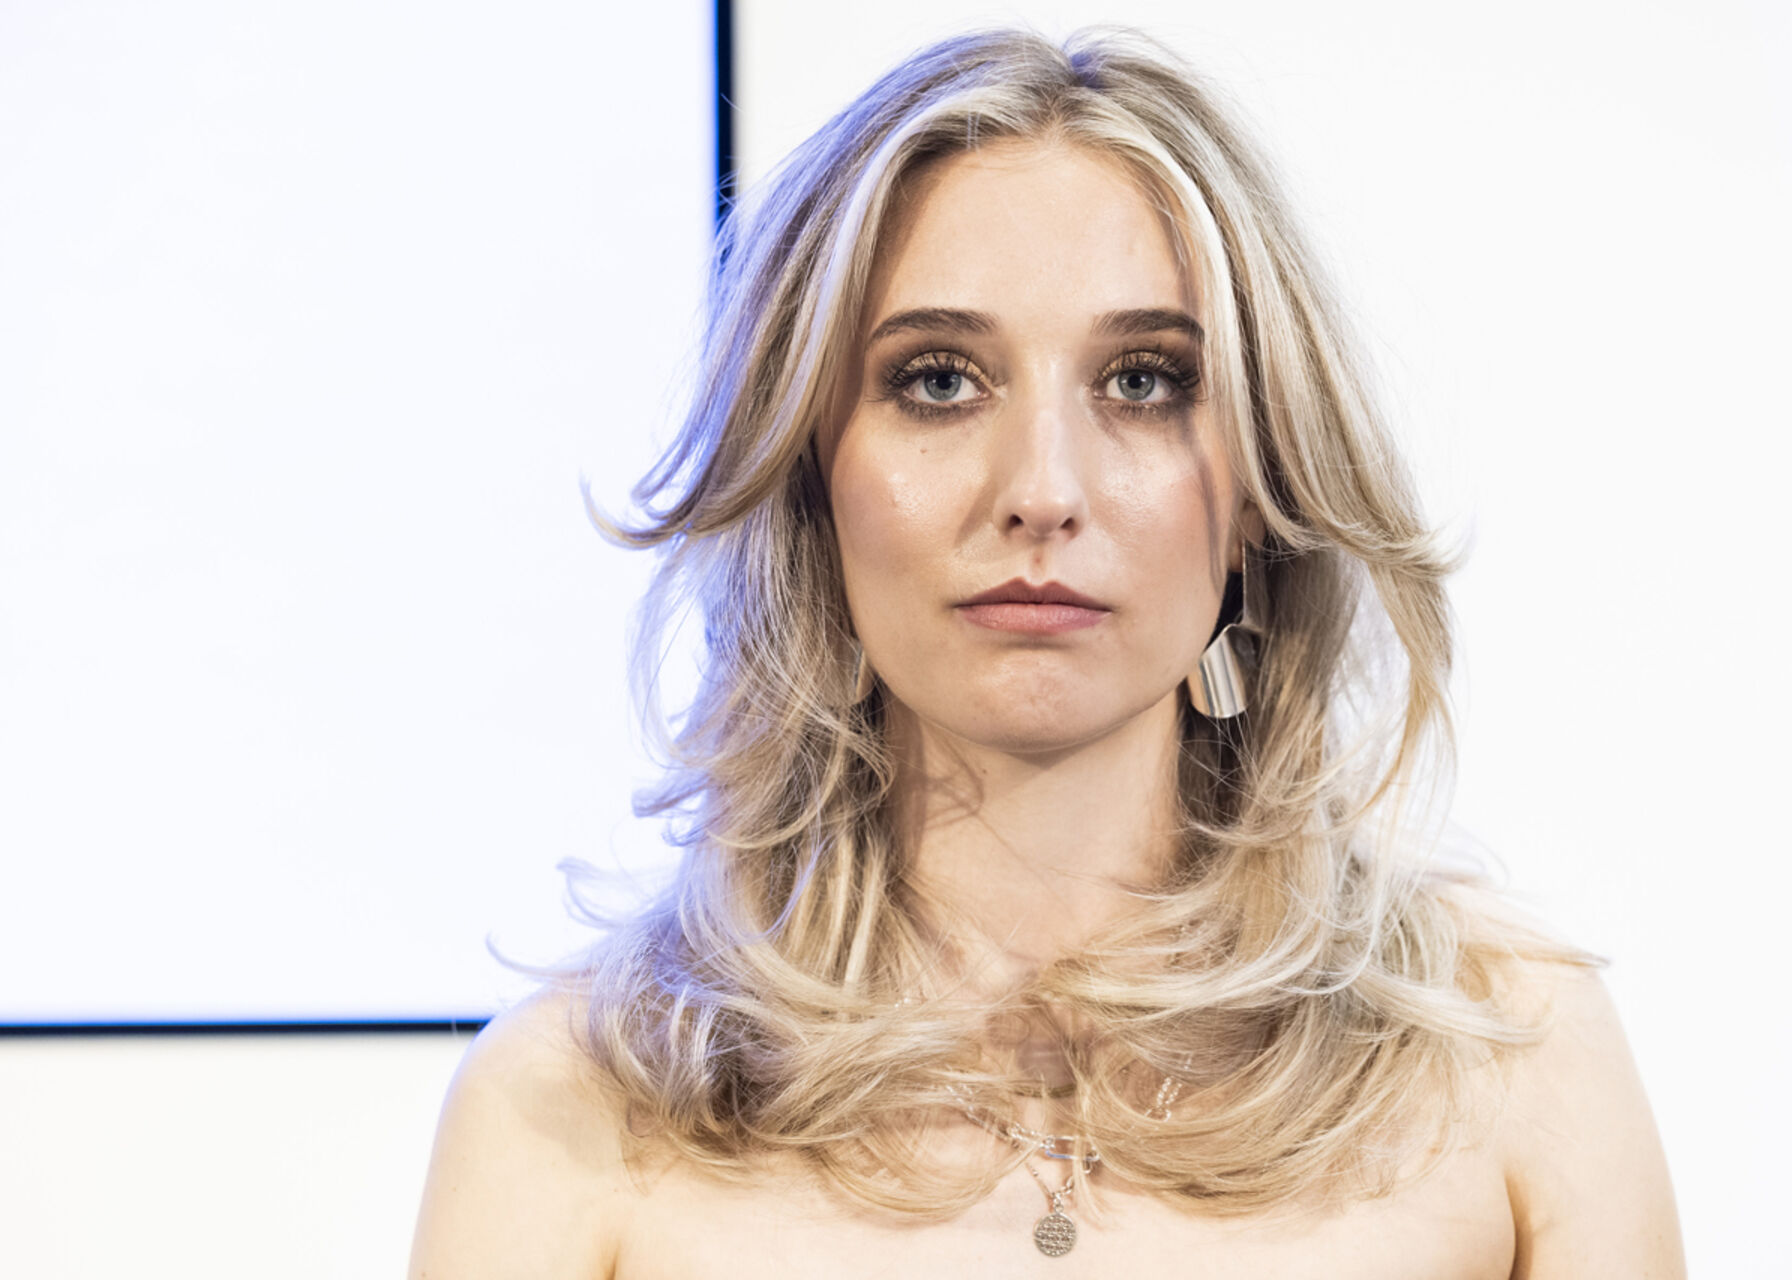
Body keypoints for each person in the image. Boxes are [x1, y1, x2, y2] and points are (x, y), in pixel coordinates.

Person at [409, 26, 1683, 1277]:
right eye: (939, 380)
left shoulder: (1517, 1056)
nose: (1041, 491)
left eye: (1143, 380)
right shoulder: (567, 1108)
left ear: (1261, 485)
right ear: (808, 473)